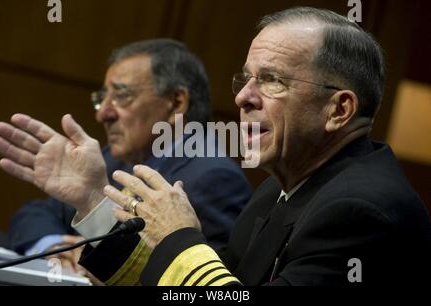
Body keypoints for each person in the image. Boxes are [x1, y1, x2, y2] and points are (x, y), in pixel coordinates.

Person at [93, 7, 430, 285]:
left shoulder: (361, 212)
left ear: (339, 110)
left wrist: (178, 238)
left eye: (272, 80)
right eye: (246, 79)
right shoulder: (277, 190)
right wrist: (88, 197)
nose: (242, 97)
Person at [0, 39, 252, 274]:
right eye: (102, 99)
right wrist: (55, 249)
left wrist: (90, 254)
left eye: (121, 96)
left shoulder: (214, 180)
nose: (103, 114)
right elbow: (34, 213)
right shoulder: (113, 158)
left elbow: (194, 281)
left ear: (176, 103)